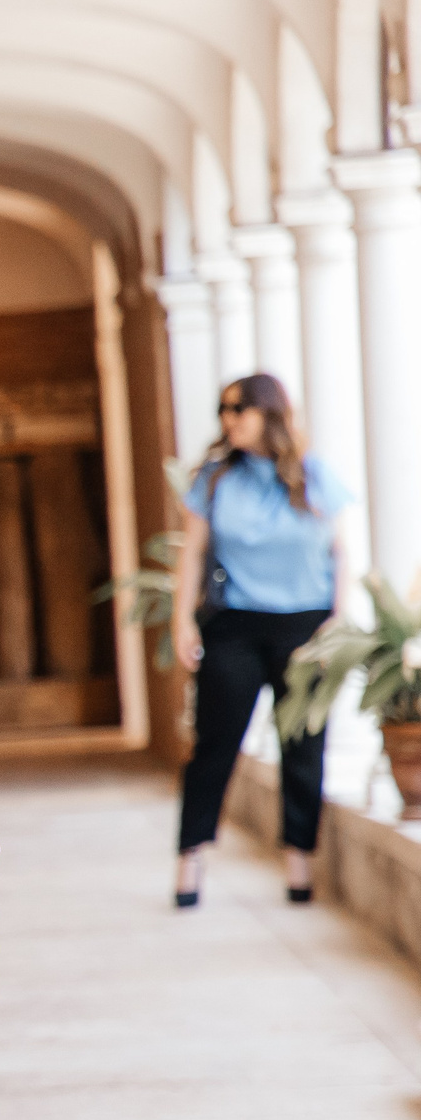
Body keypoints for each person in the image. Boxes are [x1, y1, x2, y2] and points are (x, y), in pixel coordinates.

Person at [169, 373, 352, 908]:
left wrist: (338, 617)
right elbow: (192, 553)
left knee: (304, 747)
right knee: (214, 744)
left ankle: (299, 858)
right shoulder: (215, 477)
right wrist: (182, 620)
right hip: (236, 626)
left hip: (305, 626)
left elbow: (340, 550)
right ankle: (191, 857)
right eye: (223, 409)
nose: (228, 419)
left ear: (268, 413)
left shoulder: (312, 474)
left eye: (239, 409)